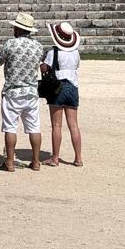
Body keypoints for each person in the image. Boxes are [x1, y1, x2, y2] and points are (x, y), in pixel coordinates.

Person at [0, 11, 43, 172]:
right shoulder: (38, 46)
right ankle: (36, 161)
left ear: (18, 29)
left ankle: (9, 161)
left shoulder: (10, 44)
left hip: (13, 91)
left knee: (10, 127)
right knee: (34, 127)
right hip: (31, 90)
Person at [42, 21, 83, 167]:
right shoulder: (75, 52)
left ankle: (55, 157)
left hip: (58, 87)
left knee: (57, 125)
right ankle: (78, 158)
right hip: (73, 86)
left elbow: (44, 68)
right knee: (74, 125)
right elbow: (76, 66)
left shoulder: (53, 52)